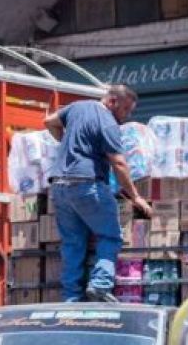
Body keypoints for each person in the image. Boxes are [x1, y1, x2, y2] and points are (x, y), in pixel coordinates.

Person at [43, 84, 153, 303]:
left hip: (59, 186)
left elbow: (49, 122)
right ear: (112, 102)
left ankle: (71, 298)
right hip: (87, 185)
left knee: (73, 243)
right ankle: (100, 285)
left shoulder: (77, 107)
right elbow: (119, 164)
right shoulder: (108, 123)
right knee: (110, 236)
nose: (127, 116)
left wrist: (65, 141)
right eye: (125, 110)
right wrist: (136, 197)